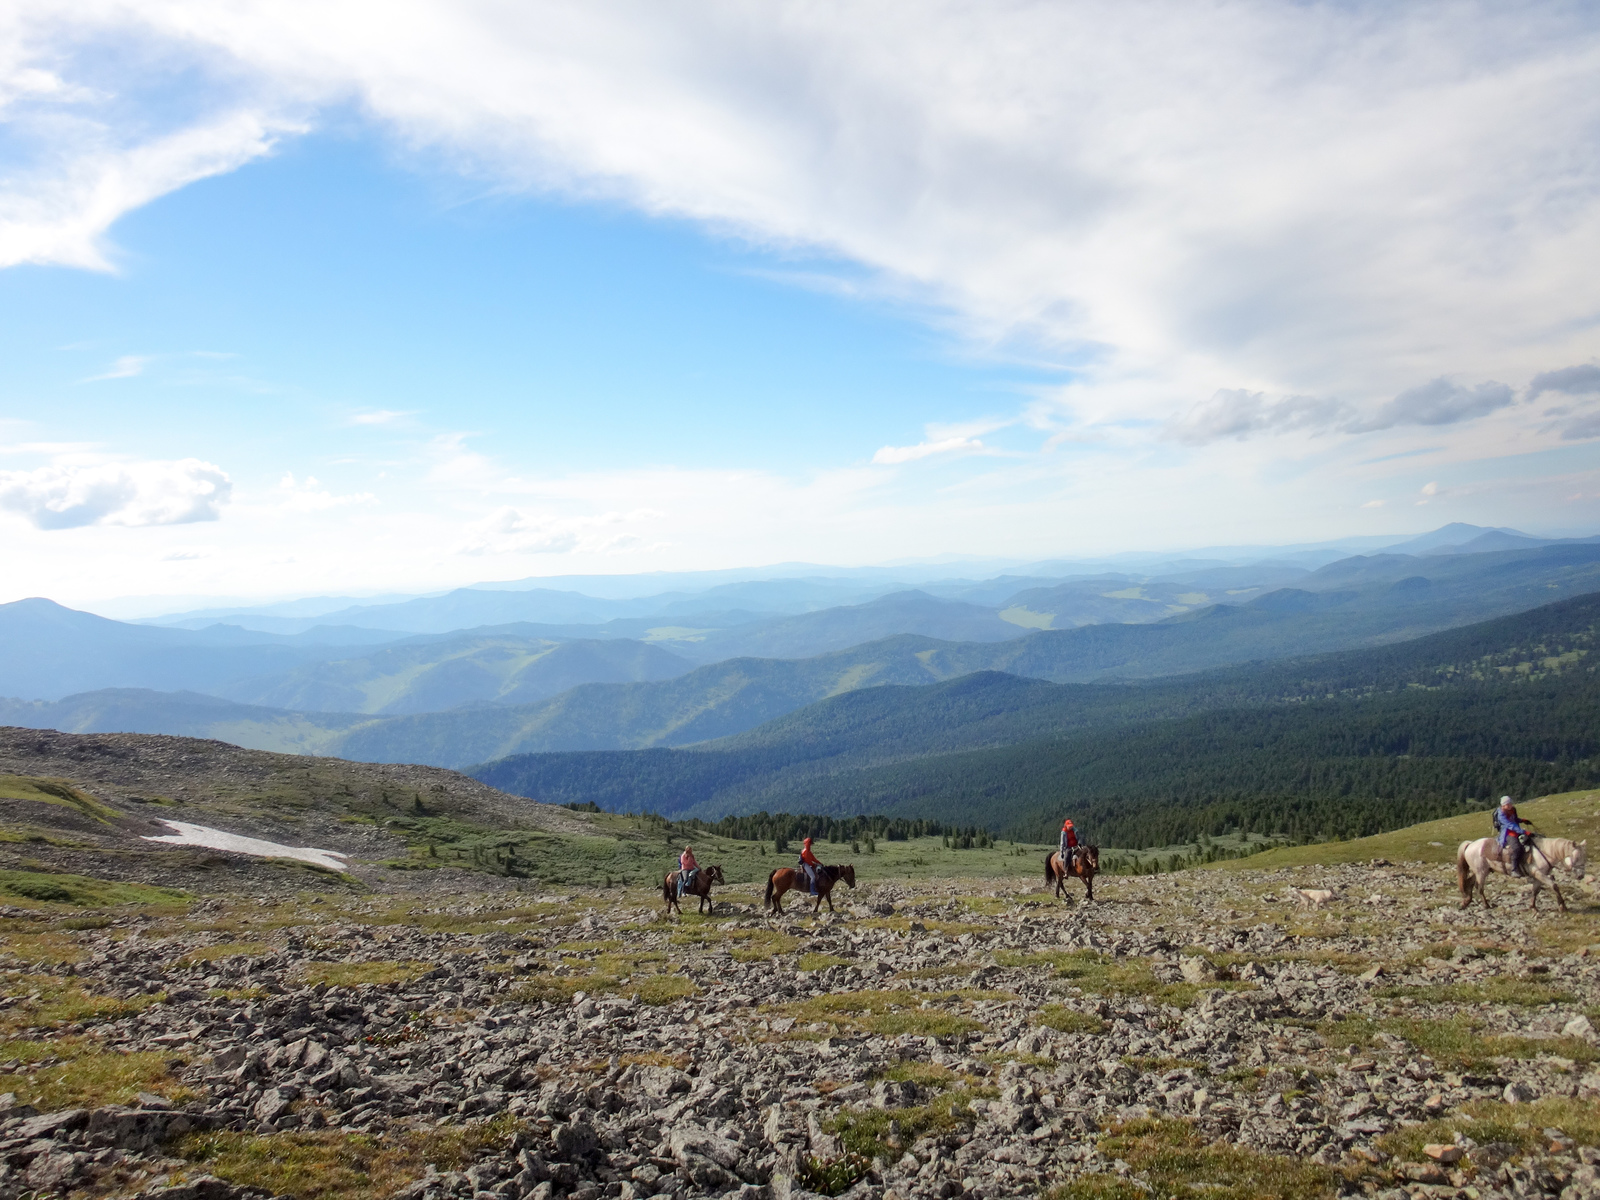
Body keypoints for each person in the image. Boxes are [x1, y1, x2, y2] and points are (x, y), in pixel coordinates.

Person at [1493, 796, 1530, 877]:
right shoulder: (1501, 814)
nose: (1510, 805)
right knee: (1517, 848)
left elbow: (1514, 819)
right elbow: (1509, 825)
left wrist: (1522, 820)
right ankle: (1514, 869)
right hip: (1508, 833)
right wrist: (1523, 831)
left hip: (1516, 831)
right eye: (1508, 804)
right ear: (1503, 805)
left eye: (1510, 803)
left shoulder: (1512, 810)